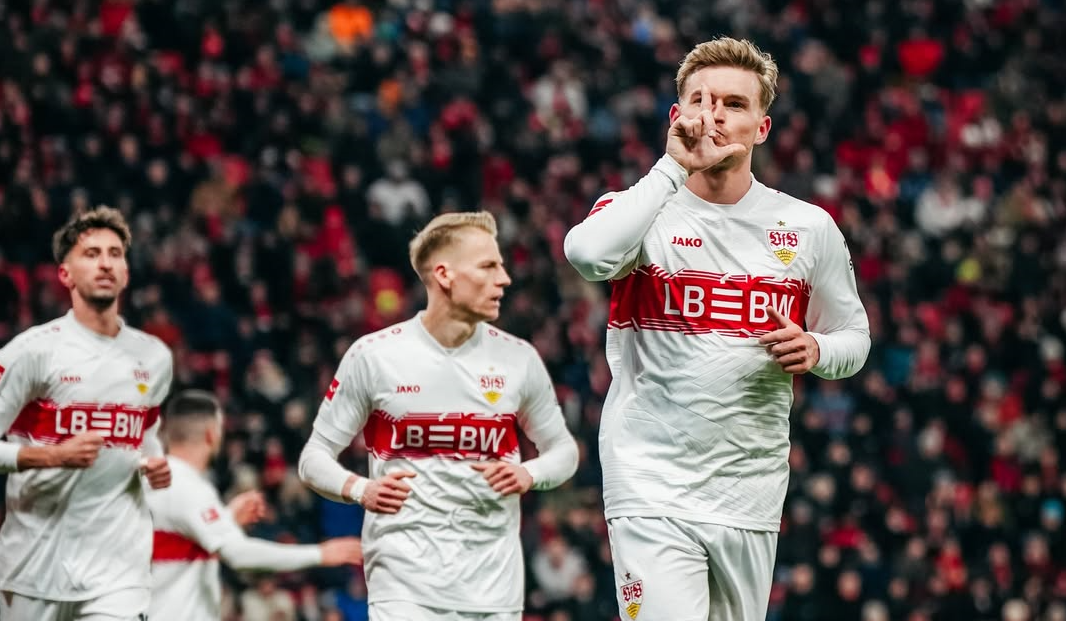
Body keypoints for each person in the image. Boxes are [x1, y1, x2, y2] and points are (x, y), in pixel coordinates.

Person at [564, 37, 871, 621]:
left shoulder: (808, 227)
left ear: (762, 126)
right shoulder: (641, 208)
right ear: (677, 116)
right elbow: (585, 254)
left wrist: (817, 348)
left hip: (749, 491)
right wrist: (671, 168)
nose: (714, 115)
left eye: (733, 103)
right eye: (699, 100)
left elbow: (854, 336)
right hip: (650, 482)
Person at [298, 211, 579, 621]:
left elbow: (564, 451)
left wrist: (530, 474)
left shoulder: (519, 359)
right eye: (488, 266)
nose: (505, 279)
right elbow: (314, 457)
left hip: (493, 590)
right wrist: (361, 489)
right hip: (404, 585)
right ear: (444, 275)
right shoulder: (375, 356)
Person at [0, 205, 174, 620]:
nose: (105, 263)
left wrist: (156, 465)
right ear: (65, 274)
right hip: (33, 567)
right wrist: (49, 456)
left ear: (127, 272)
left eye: (115, 254)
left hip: (119, 570)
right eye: (91, 253)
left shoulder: (154, 357)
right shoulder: (32, 352)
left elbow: (145, 440)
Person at [146, 389, 363, 621]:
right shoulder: (188, 487)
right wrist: (320, 553)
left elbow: (180, 545)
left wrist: (226, 519)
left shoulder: (157, 481)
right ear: (212, 434)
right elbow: (239, 554)